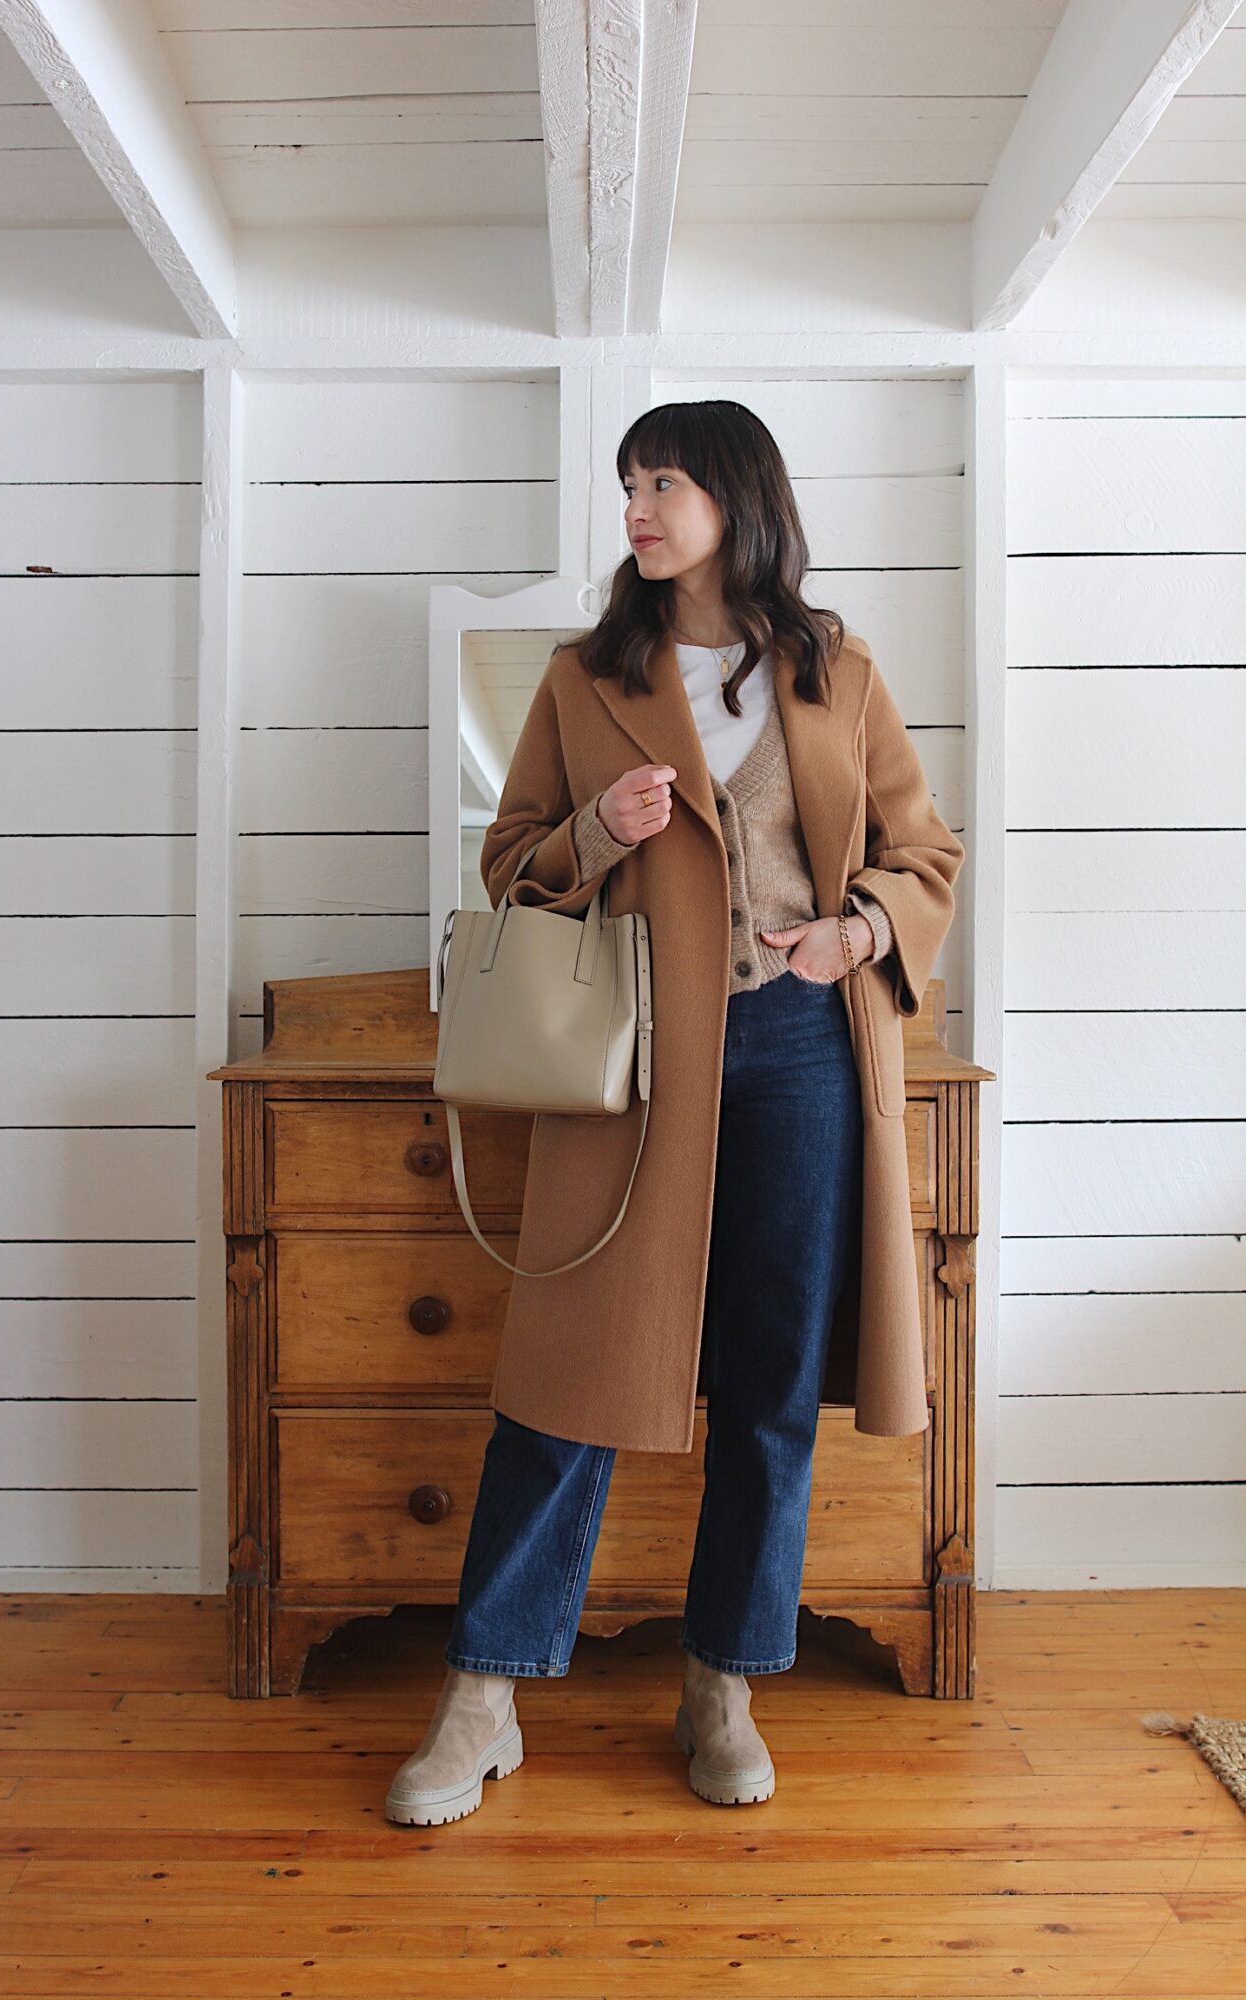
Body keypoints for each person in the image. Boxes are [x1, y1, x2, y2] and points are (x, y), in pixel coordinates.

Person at [386, 399, 962, 1826]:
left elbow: (923, 848)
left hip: (803, 1053)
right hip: (636, 1065)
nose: (636, 507)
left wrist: (861, 935)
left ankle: (723, 1682)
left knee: (767, 1387)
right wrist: (597, 833)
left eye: (663, 482)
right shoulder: (589, 679)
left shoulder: (835, 666)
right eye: (630, 482)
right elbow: (510, 861)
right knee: (568, 1384)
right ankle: (482, 1697)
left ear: (735, 500)